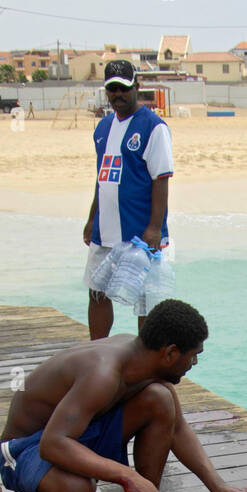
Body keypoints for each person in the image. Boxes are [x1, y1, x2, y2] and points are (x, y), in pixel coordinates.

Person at [0, 298, 247, 492]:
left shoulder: (142, 357)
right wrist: (130, 476)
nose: (194, 364)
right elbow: (52, 444)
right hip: (25, 449)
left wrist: (218, 487)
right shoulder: (103, 374)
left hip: (76, 432)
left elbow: (177, 428)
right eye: (193, 356)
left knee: (160, 399)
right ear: (170, 353)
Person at [83, 59, 173, 340]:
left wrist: (154, 228)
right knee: (97, 292)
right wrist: (90, 220)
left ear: (136, 86)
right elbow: (102, 178)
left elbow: (161, 179)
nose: (118, 95)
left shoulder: (153, 127)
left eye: (123, 88)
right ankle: (96, 350)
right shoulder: (103, 127)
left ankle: (145, 360)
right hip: (104, 229)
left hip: (140, 232)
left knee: (145, 300)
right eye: (112, 89)